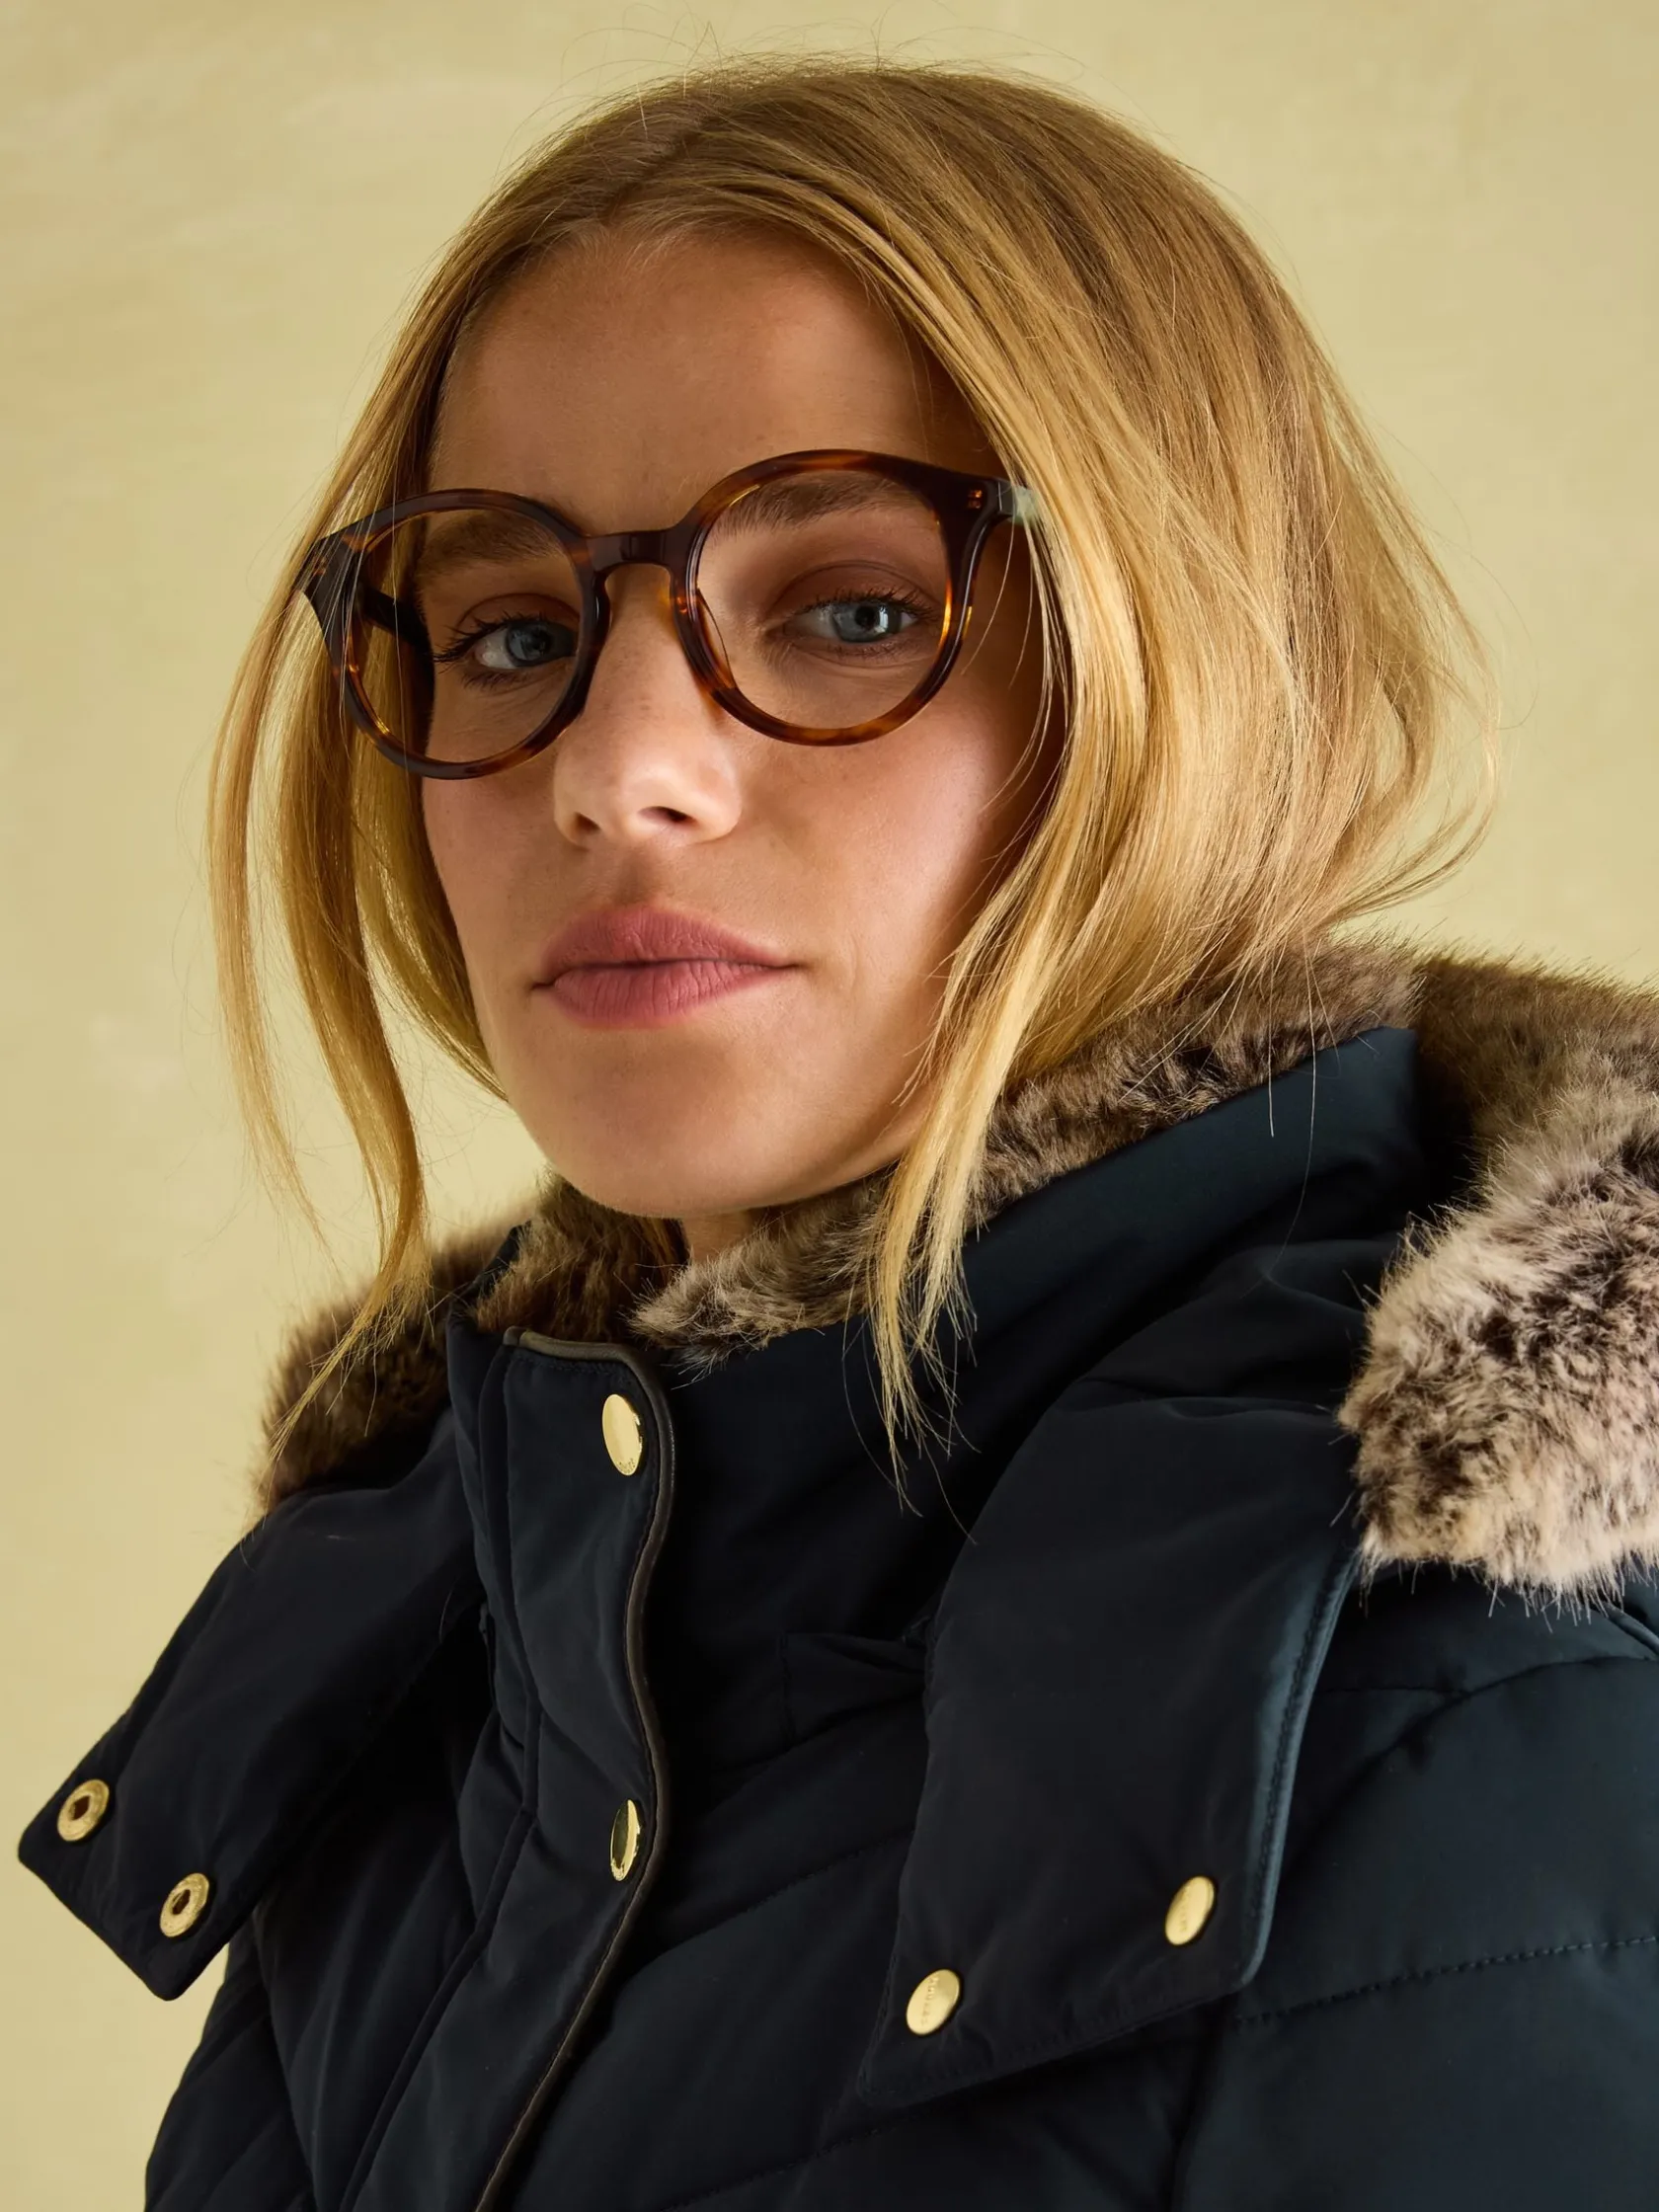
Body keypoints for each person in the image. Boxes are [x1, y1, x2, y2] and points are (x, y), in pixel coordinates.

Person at [21, 53, 1659, 2212]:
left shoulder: (1510, 1735)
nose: (615, 769)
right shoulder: (434, 1678)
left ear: (1201, 666)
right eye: (510, 631)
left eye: (852, 609)